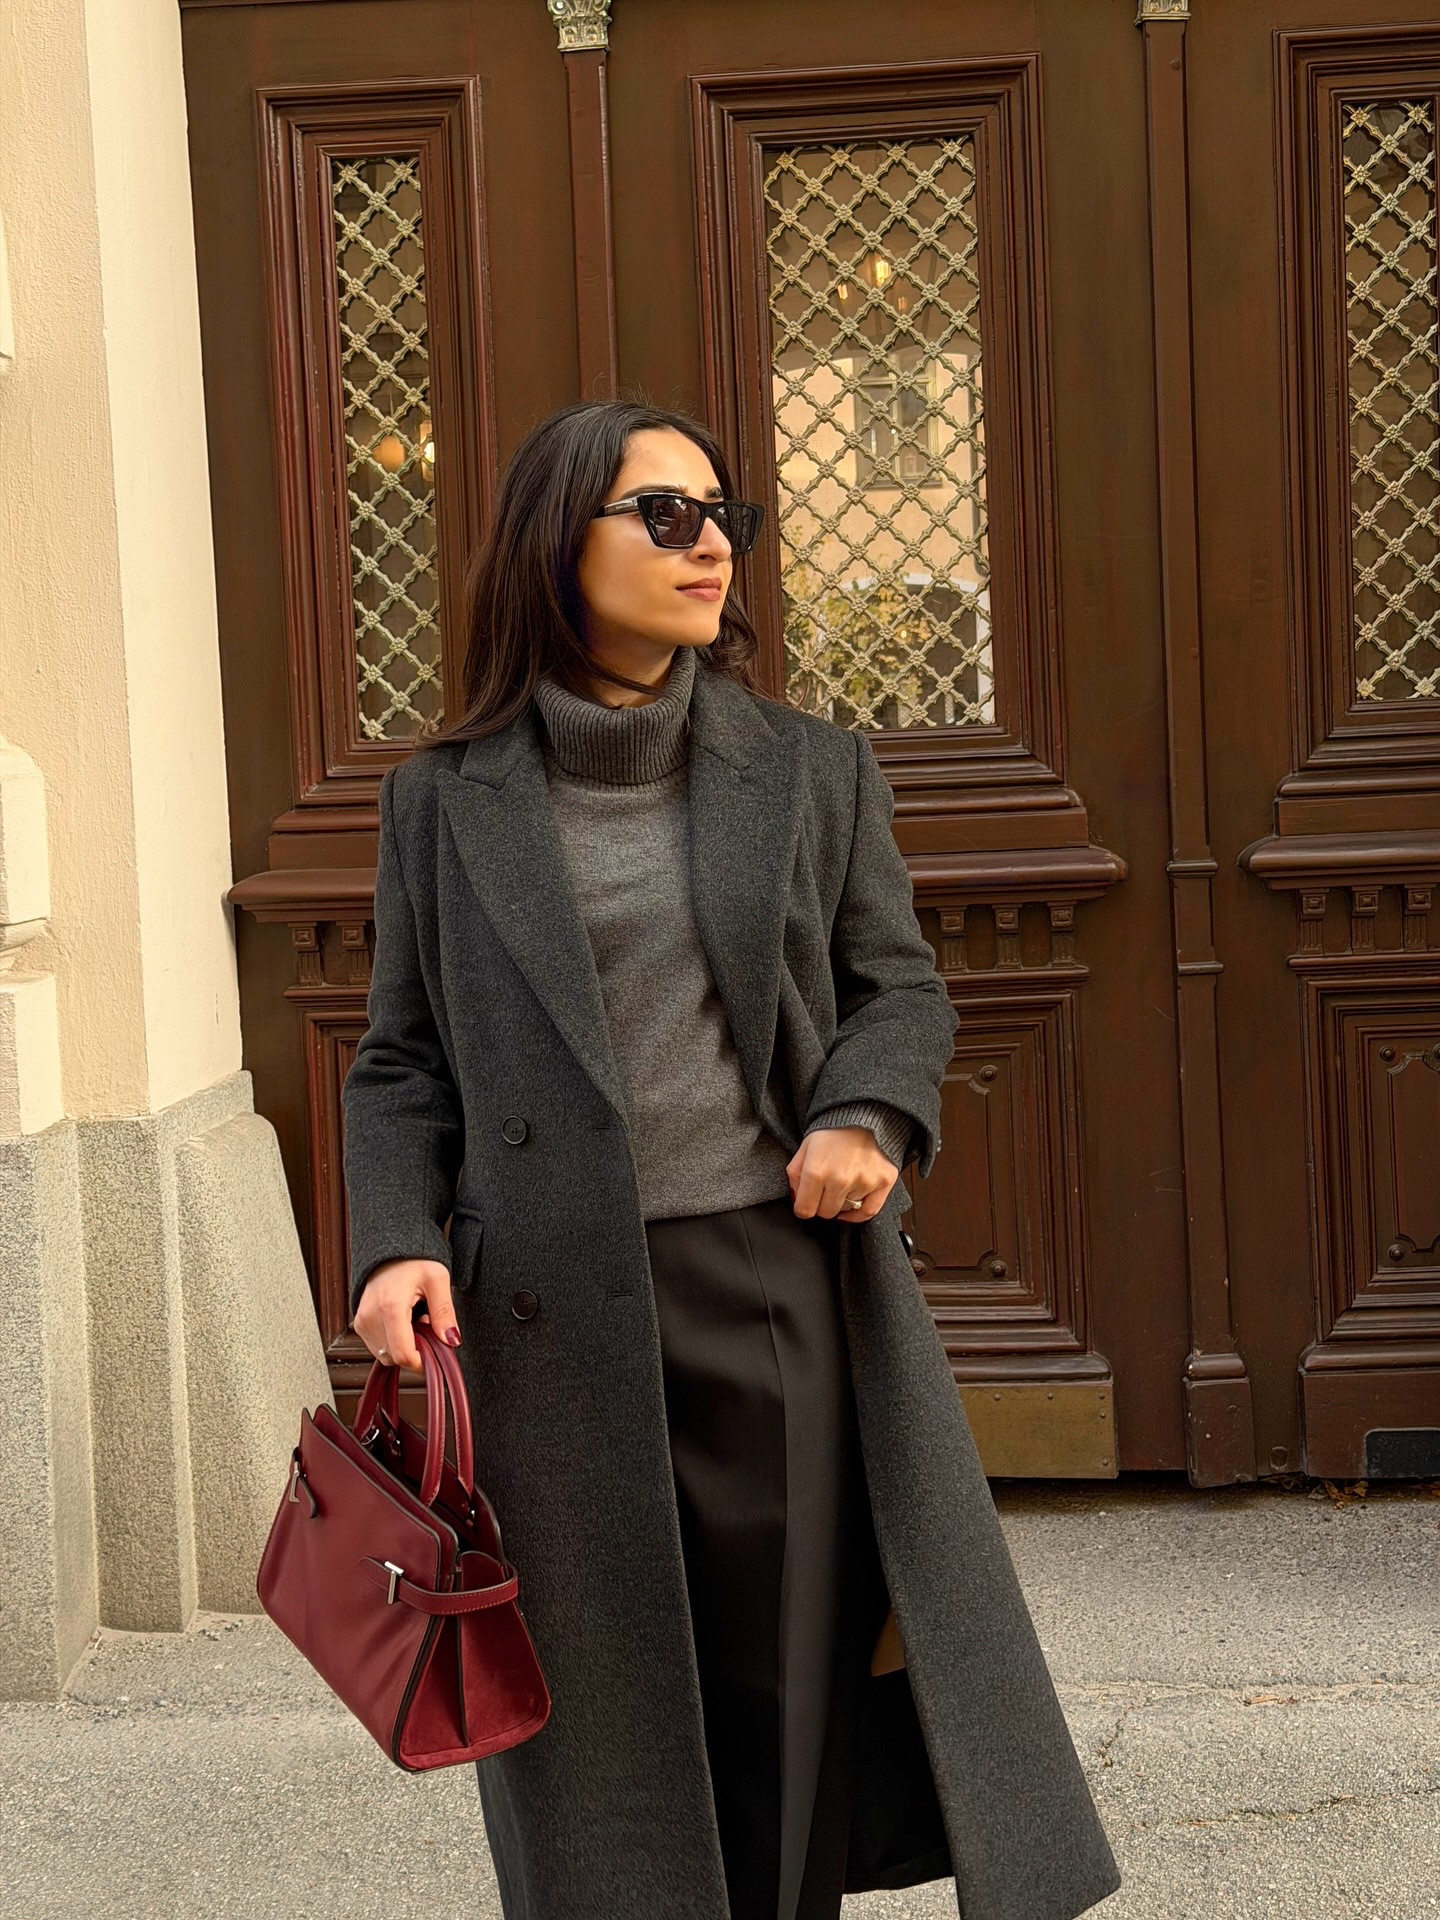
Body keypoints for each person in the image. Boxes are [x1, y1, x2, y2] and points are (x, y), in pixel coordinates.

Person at [342, 399, 1121, 1920]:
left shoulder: (808, 768)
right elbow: (401, 1057)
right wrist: (394, 1239)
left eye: (723, 518)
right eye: (666, 515)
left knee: (779, 1701)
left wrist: (864, 1115)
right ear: (556, 544)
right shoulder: (444, 798)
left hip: (767, 1288)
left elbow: (898, 989)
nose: (710, 547)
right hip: (544, 1310)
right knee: (588, 1734)